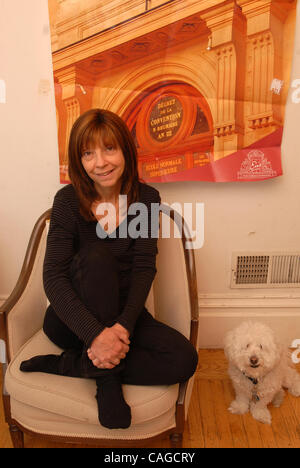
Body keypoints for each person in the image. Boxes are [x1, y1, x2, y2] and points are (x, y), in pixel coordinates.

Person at [20, 108, 198, 429]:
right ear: (79, 160)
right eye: (88, 153)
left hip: (122, 317)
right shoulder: (66, 201)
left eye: (109, 148)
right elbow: (54, 277)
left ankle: (71, 364)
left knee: (184, 359)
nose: (100, 162)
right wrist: (94, 334)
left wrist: (122, 329)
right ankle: (107, 382)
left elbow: (144, 268)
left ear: (126, 150)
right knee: (97, 256)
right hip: (70, 322)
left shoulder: (146, 199)